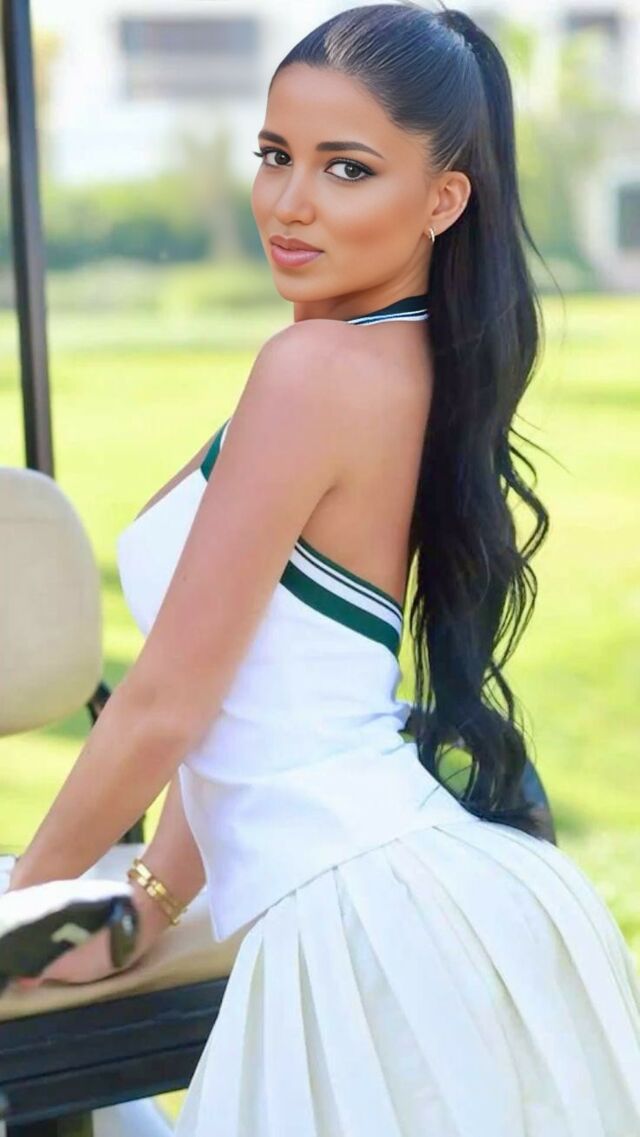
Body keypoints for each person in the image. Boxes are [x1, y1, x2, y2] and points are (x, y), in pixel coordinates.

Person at [5, 2, 640, 1132]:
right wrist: (145, 895)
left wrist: (24, 909)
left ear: (442, 200)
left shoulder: (312, 372)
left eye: (347, 169)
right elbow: (253, 691)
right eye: (274, 155)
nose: (290, 202)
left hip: (363, 926)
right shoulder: (400, 359)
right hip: (392, 904)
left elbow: (164, 703)